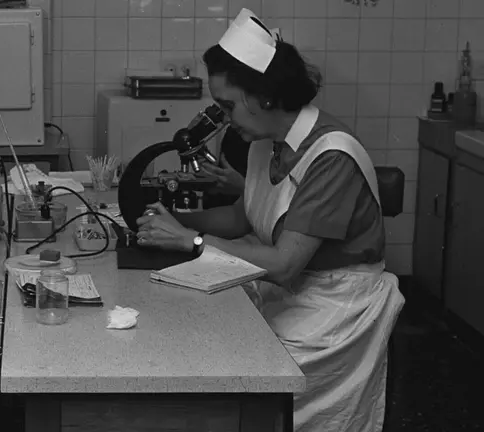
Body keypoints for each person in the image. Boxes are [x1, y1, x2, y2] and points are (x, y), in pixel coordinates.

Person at [134, 8, 405, 432]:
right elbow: (241, 217)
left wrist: (191, 241)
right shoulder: (266, 142)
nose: (223, 119)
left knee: (241, 385)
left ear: (263, 96)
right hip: (289, 295)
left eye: (227, 106)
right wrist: (176, 219)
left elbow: (284, 264)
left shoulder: (331, 156)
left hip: (333, 312)